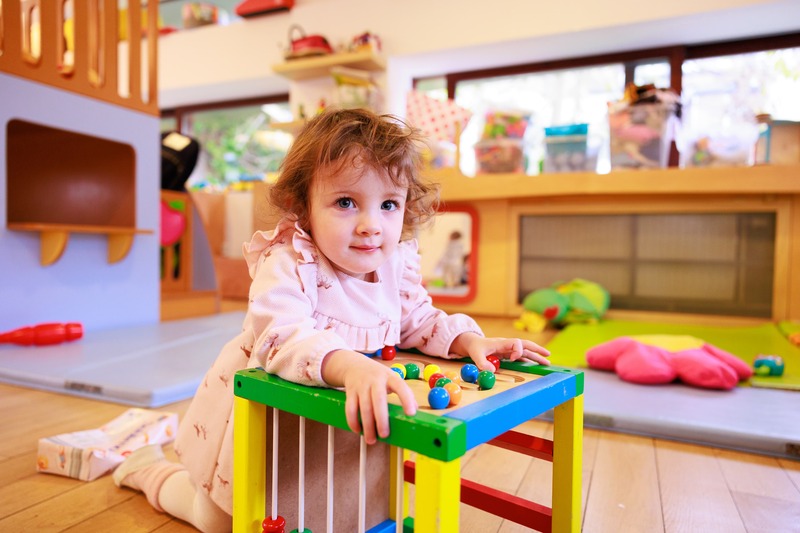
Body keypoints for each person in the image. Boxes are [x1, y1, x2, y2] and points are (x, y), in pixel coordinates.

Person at [112, 108, 551, 532]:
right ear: (302, 206)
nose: (370, 225)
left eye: (388, 205)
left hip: (341, 418)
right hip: (267, 418)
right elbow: (283, 336)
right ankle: (148, 471)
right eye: (346, 202)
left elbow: (418, 320)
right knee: (221, 519)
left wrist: (467, 341)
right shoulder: (289, 261)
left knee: (329, 505)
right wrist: (349, 363)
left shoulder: (396, 264)